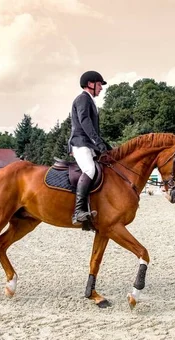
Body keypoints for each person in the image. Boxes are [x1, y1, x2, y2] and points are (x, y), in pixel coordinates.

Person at [68, 70, 112, 225]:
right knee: (90, 169)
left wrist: (105, 145)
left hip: (87, 143)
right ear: (90, 84)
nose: (101, 88)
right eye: (99, 84)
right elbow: (85, 121)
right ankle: (78, 211)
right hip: (81, 143)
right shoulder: (83, 99)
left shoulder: (89, 100)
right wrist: (97, 141)